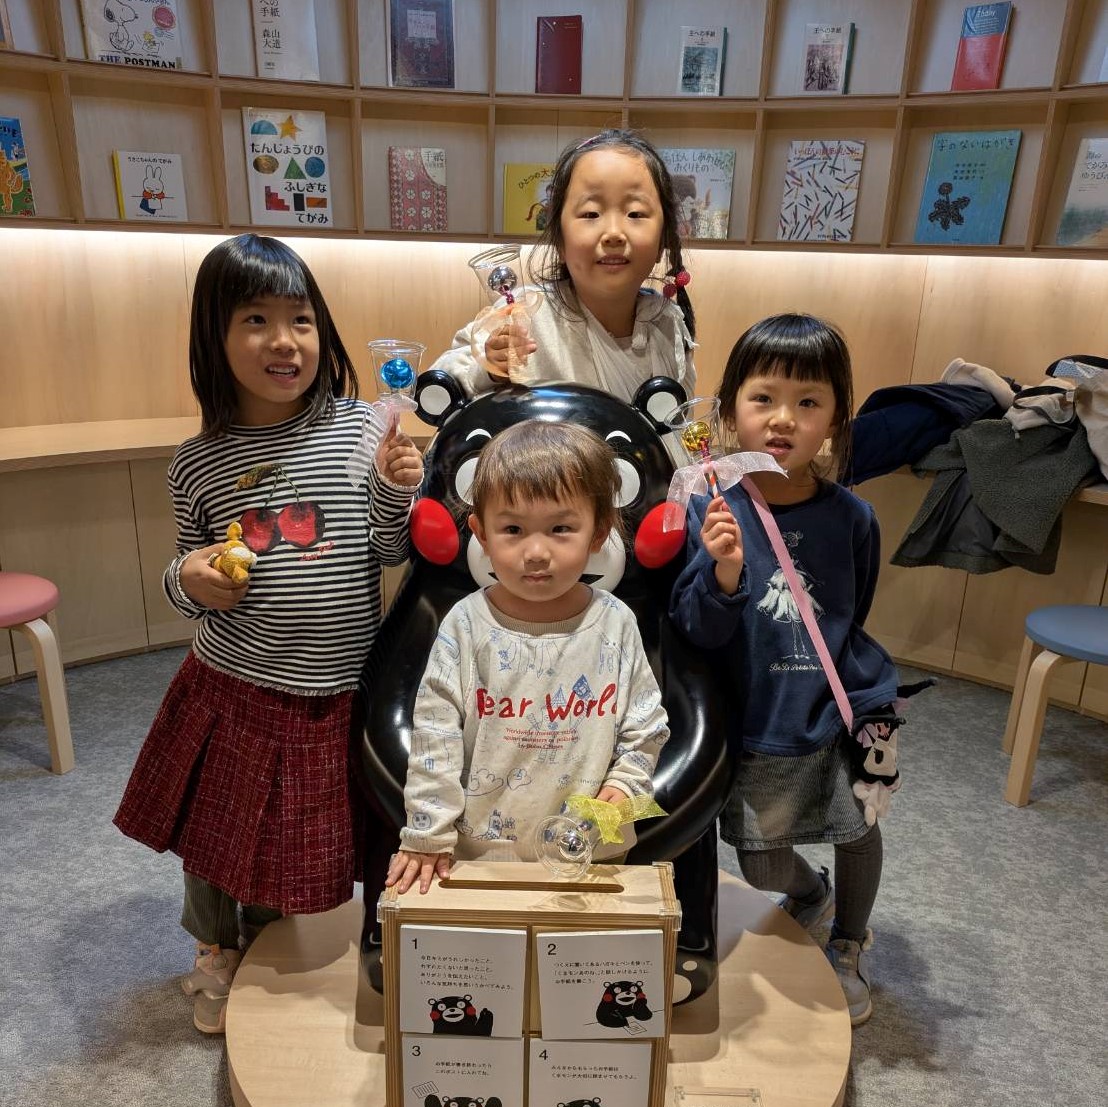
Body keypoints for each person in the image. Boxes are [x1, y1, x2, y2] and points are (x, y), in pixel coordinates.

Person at [113, 233, 423, 1034]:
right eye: (256, 319)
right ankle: (215, 949)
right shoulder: (198, 462)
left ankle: (266, 940)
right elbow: (184, 576)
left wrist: (396, 491)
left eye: (301, 319)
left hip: (337, 684)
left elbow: (390, 551)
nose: (284, 341)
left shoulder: (364, 429)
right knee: (217, 834)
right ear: (213, 338)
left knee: (296, 834)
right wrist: (190, 578)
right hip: (236, 684)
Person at [668, 313, 902, 1027]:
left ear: (835, 419)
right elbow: (693, 628)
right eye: (763, 397)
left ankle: (849, 941)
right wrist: (725, 571)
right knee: (762, 860)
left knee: (857, 827)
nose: (783, 419)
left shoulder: (854, 517)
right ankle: (810, 891)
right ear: (729, 408)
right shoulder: (706, 507)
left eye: (808, 401)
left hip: (834, 707)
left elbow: (850, 612)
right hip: (752, 714)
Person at [385, 420, 670, 895]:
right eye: (513, 529)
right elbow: (435, 735)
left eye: (561, 528)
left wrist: (623, 790)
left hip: (591, 855)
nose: (536, 552)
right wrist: (427, 834)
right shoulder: (466, 623)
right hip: (478, 857)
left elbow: (646, 728)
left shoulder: (616, 622)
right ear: (481, 533)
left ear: (598, 532)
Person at [430, 129, 697, 402]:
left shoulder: (668, 324)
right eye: (591, 213)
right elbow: (440, 384)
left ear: (663, 238)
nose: (614, 233)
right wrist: (489, 368)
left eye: (635, 213)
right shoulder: (524, 314)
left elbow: (678, 415)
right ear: (559, 240)